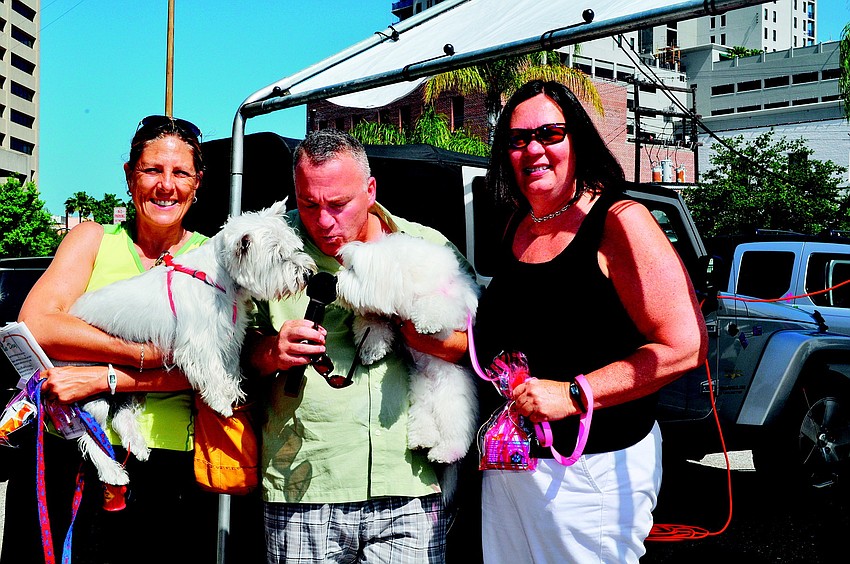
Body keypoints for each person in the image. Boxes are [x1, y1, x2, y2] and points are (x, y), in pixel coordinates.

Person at [471, 80, 708, 563]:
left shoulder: (621, 220)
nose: (533, 148)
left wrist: (573, 393)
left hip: (591, 471)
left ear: (578, 139)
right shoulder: (518, 224)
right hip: (512, 466)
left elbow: (684, 347)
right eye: (517, 139)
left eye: (550, 133)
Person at [1, 115, 226, 564]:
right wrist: (143, 354)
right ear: (129, 175)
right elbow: (38, 324)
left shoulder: (213, 257)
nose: (166, 186)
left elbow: (212, 372)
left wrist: (100, 377)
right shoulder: (92, 239)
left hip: (171, 465)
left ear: (197, 182)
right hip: (73, 452)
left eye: (180, 173)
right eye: (152, 171)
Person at [245, 129, 474, 563]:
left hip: (409, 482)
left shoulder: (427, 247)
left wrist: (426, 334)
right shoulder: (268, 247)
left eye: (338, 204)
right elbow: (231, 353)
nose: (324, 221)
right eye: (308, 204)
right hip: (305, 483)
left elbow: (481, 346)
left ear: (370, 190)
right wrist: (271, 351)